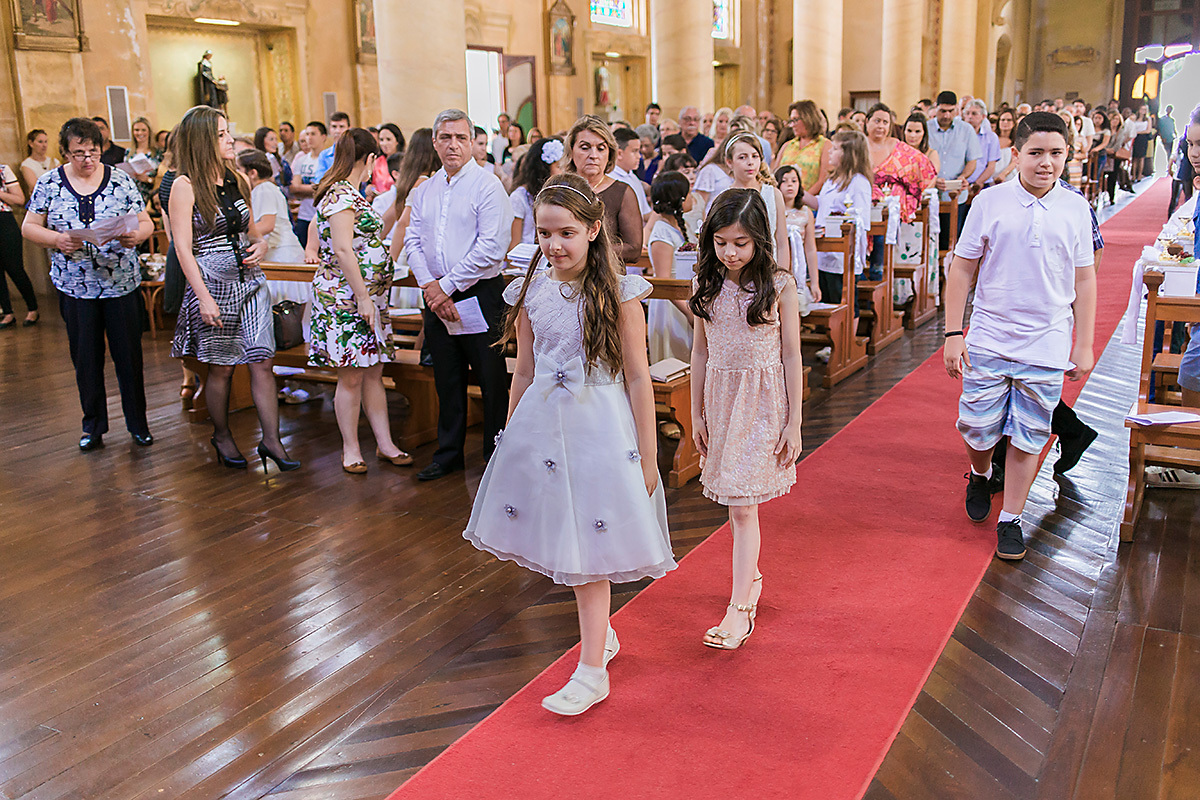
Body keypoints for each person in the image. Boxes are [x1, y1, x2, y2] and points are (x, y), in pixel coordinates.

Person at [463, 173, 675, 716]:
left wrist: (649, 458)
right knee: (562, 538)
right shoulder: (532, 284)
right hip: (542, 422)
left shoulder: (620, 292)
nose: (554, 245)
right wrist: (510, 434)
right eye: (544, 233)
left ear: (594, 230)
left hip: (599, 426)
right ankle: (599, 636)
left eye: (566, 233)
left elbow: (635, 377)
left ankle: (592, 670)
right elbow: (525, 368)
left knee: (587, 553)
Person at [942, 112, 1096, 560]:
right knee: (977, 425)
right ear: (1016, 155)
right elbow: (963, 268)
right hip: (990, 333)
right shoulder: (990, 202)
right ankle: (980, 473)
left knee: (1031, 432)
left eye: (1056, 154)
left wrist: (1083, 342)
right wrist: (955, 332)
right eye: (1035, 153)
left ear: (1068, 155)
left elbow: (1084, 280)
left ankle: (1011, 517)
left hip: (1047, 339)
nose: (1045, 162)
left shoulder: (1075, 206)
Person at [690, 188, 802, 650]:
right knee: (737, 504)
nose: (730, 252)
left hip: (760, 402)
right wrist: (695, 411)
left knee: (742, 506)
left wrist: (794, 421)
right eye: (720, 242)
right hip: (720, 397)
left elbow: (792, 355)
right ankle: (751, 578)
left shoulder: (779, 285)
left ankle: (739, 609)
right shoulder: (707, 281)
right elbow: (699, 350)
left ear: (759, 239)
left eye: (740, 242)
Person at [169, 105, 299, 473]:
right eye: (223, 134)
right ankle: (223, 435)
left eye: (229, 132)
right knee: (222, 369)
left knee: (262, 360)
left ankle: (272, 441)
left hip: (251, 281)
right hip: (212, 282)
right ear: (203, 140)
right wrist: (204, 298)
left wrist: (259, 246)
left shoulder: (237, 180)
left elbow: (251, 233)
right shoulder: (185, 185)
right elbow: (183, 247)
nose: (230, 140)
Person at [21, 117, 154, 449]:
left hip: (121, 284)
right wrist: (57, 239)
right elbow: (28, 227)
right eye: (78, 152)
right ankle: (93, 426)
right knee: (86, 358)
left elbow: (146, 222)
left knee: (129, 356)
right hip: (75, 286)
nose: (87, 159)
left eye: (93, 151)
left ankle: (138, 424)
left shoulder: (121, 180)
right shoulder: (49, 183)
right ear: (65, 152)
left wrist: (136, 236)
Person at [404, 109, 513, 481]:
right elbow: (412, 240)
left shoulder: (487, 186)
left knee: (491, 377)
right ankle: (448, 453)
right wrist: (431, 287)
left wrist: (444, 287)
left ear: (471, 143)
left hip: (480, 293)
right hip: (436, 294)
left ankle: (496, 454)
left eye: (461, 138)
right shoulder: (426, 189)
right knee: (446, 377)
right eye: (445, 137)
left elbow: (492, 247)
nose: (453, 145)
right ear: (434, 142)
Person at [302, 128, 411, 473]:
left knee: (374, 370)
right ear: (369, 159)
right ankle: (350, 449)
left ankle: (385, 443)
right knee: (350, 375)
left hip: (370, 299)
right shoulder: (339, 195)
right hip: (347, 299)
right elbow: (342, 248)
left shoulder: (353, 193)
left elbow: (366, 240)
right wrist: (363, 296)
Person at [563, 115, 642, 264]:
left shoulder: (622, 192)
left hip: (607, 278)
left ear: (610, 153)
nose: (593, 156)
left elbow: (634, 250)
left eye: (600, 148)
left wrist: (584, 252)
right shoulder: (560, 189)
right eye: (585, 148)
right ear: (571, 151)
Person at [814, 130, 872, 311]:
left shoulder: (859, 183)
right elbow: (821, 204)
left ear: (849, 154)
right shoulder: (831, 180)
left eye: (836, 148)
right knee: (828, 298)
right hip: (824, 250)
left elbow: (861, 220)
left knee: (844, 300)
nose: (830, 151)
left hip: (842, 252)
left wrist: (840, 219)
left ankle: (848, 337)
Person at [646, 170, 696, 363]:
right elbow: (665, 282)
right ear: (680, 200)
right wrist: (689, 312)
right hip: (671, 306)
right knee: (674, 360)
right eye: (689, 193)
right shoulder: (661, 234)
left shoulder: (675, 227)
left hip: (683, 299)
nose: (693, 197)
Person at [719, 132, 789, 267]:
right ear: (729, 162)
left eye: (755, 156)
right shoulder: (724, 197)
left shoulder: (773, 194)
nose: (750, 162)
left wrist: (782, 275)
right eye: (742, 157)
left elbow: (782, 242)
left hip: (768, 266)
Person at [927, 90, 980, 249]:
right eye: (943, 111)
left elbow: (972, 161)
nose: (947, 115)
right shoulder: (926, 128)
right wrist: (933, 179)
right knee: (928, 240)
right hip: (930, 192)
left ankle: (947, 272)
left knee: (951, 241)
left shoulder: (966, 130)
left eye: (951, 111)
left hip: (956, 194)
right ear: (936, 108)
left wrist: (963, 177)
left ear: (957, 109)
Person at [867, 103, 937, 223]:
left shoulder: (897, 146)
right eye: (877, 121)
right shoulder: (858, 145)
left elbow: (926, 169)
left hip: (892, 210)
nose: (881, 126)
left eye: (885, 122)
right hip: (864, 203)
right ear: (867, 122)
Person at [386, 127, 440, 264]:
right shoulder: (423, 183)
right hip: (417, 255)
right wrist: (391, 261)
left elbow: (389, 216)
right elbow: (403, 223)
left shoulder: (410, 180)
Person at [0, 160, 39, 329]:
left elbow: (19, 198)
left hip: (4, 223)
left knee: (15, 268)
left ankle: (32, 309)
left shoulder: (3, 170)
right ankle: (7, 313)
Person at [775, 164, 821, 304]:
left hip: (797, 269)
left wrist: (814, 283)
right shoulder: (773, 211)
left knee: (796, 307)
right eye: (784, 181)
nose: (790, 185)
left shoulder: (805, 213)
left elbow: (810, 249)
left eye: (794, 181)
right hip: (778, 265)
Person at [775, 100, 831, 208]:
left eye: (796, 120)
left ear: (808, 118)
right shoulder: (787, 146)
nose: (792, 125)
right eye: (791, 121)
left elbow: (823, 180)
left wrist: (800, 198)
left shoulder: (824, 145)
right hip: (783, 206)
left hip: (809, 206)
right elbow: (775, 175)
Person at [509, 136, 563, 249]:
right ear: (543, 169)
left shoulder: (560, 195)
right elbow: (513, 244)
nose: (563, 172)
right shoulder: (519, 197)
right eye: (559, 167)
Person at [290, 121, 326, 247]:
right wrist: (314, 188)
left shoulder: (328, 159)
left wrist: (305, 188)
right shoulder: (301, 160)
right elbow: (294, 187)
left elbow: (325, 187)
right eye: (307, 134)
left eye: (313, 134)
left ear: (323, 137)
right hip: (304, 214)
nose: (309, 138)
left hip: (323, 214)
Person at [610, 126, 651, 222]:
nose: (639, 156)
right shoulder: (610, 179)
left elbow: (644, 214)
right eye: (635, 151)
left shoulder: (633, 177)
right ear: (619, 154)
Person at [963, 99, 1001, 195]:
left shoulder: (991, 137)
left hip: (982, 184)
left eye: (974, 114)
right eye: (967, 113)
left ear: (983, 116)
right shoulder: (959, 136)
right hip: (962, 184)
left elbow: (991, 166)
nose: (970, 117)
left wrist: (978, 183)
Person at [124, 117, 161, 208]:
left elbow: (161, 177)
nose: (140, 133)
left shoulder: (157, 153)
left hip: (151, 196)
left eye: (143, 130)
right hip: (132, 195)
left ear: (149, 132)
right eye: (136, 130)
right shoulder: (129, 152)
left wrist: (148, 179)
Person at [253, 126, 292, 193]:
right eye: (271, 139)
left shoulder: (280, 161)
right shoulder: (255, 162)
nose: (275, 143)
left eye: (276, 139)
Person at [314, 111, 351, 181]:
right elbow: (319, 180)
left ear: (348, 128)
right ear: (330, 129)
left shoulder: (355, 152)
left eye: (341, 127)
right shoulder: (324, 155)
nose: (337, 131)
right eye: (334, 127)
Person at [371, 122, 404, 194]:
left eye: (388, 139)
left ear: (397, 140)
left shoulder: (405, 160)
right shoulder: (376, 162)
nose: (384, 144)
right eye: (381, 140)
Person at [993, 108, 1018, 183]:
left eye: (1009, 120)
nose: (1005, 122)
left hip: (1008, 176)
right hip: (991, 176)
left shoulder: (1016, 140)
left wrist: (1003, 174)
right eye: (1002, 120)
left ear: (1014, 123)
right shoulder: (992, 138)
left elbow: (1015, 161)